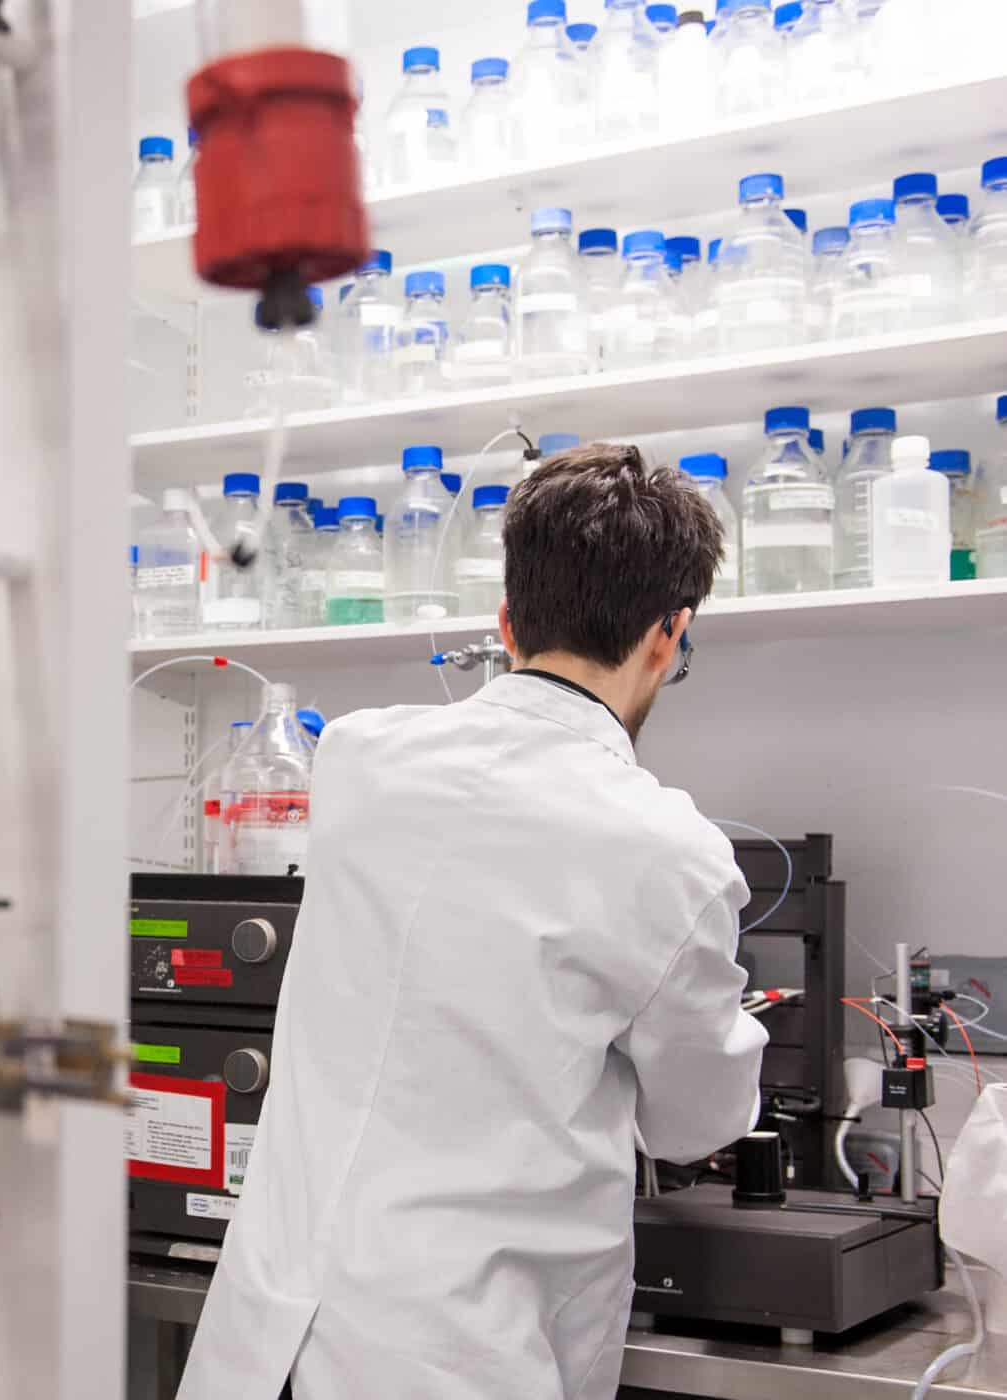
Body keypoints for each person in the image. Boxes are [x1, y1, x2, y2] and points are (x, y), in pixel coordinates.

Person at [176, 444, 768, 1400]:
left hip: (270, 1342)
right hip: (457, 1357)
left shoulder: (361, 759)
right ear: (670, 635)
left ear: (505, 619)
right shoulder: (672, 852)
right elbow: (693, 1123)